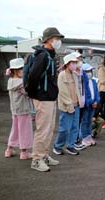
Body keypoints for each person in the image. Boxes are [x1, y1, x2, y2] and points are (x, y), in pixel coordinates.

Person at [28, 27, 64, 172]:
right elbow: (33, 76)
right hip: (43, 98)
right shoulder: (42, 55)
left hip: (49, 97)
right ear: (49, 39)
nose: (59, 41)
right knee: (43, 129)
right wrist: (33, 94)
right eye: (57, 38)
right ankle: (36, 159)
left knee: (49, 129)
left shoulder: (50, 54)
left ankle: (44, 155)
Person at [4, 58, 33, 160]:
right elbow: (28, 93)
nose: (24, 71)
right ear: (16, 70)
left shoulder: (10, 81)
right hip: (23, 110)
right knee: (24, 131)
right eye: (22, 69)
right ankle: (24, 152)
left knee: (15, 130)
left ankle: (9, 149)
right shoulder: (21, 82)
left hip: (15, 111)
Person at [53, 53, 81, 156]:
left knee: (74, 127)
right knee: (64, 128)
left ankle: (70, 146)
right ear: (67, 64)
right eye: (73, 63)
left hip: (76, 105)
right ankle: (57, 147)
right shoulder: (62, 75)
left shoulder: (74, 75)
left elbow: (77, 89)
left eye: (75, 63)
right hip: (66, 107)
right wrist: (70, 105)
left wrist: (78, 102)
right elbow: (63, 93)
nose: (74, 65)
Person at [80, 63, 100, 147]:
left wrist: (96, 101)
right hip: (86, 105)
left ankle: (88, 136)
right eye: (87, 71)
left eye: (90, 71)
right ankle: (83, 138)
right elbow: (84, 95)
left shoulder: (94, 81)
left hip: (93, 106)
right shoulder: (83, 83)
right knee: (84, 121)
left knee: (89, 121)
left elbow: (96, 93)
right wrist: (91, 102)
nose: (89, 73)